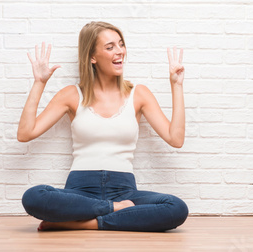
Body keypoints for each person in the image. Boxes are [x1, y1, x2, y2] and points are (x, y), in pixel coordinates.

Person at [17, 21, 188, 232]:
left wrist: (176, 85)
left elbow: (175, 139)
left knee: (176, 208)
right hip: (80, 190)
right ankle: (113, 210)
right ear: (92, 56)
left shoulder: (139, 94)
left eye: (121, 44)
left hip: (124, 191)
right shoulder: (71, 95)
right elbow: (25, 133)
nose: (120, 52)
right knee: (34, 197)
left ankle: (86, 223)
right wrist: (39, 83)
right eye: (110, 47)